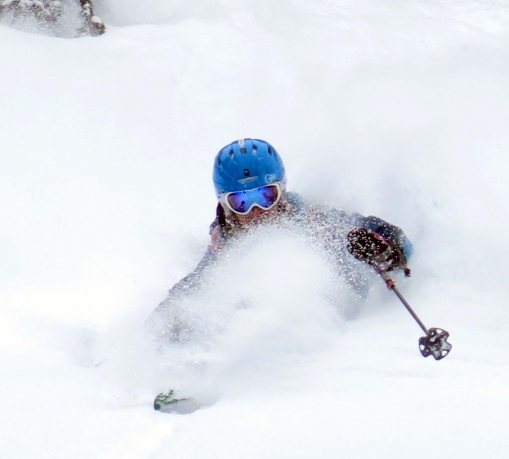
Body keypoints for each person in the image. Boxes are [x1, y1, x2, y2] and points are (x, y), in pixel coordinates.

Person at [151, 138, 413, 343]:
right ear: (225, 204)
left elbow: (394, 238)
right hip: (261, 336)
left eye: (265, 196)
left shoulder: (313, 220)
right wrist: (166, 319)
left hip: (333, 328)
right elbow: (196, 285)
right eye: (241, 201)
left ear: (282, 190)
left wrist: (384, 247)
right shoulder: (226, 244)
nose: (256, 211)